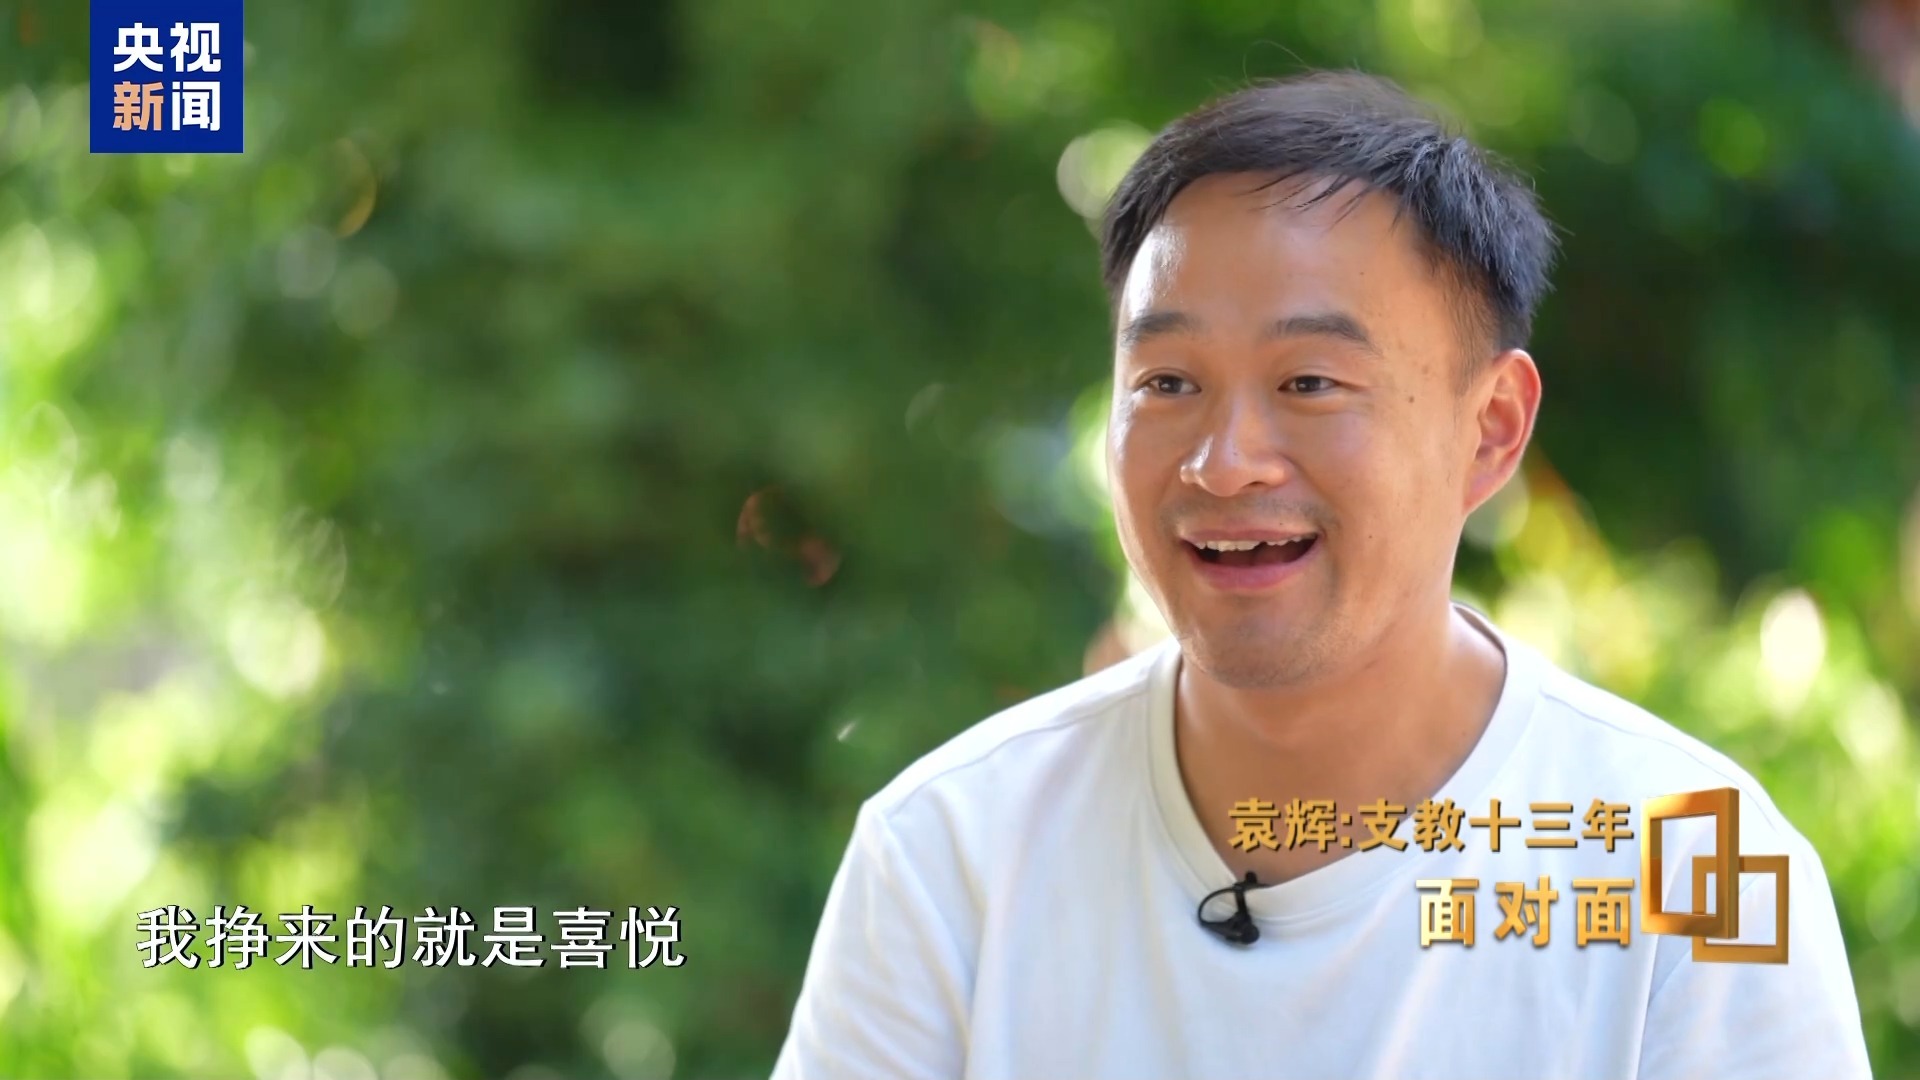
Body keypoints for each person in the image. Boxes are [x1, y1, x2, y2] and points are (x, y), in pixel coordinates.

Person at [771, 70, 1871, 1079]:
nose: (1225, 463)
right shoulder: (952, 855)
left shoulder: (1698, 869)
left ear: (1491, 427)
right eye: (1167, 383)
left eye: (1308, 382)